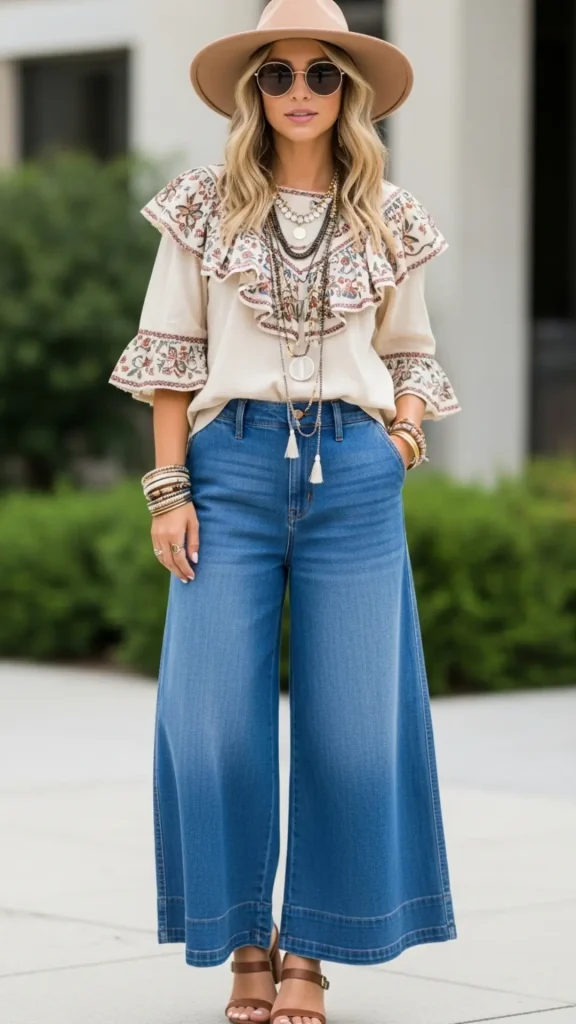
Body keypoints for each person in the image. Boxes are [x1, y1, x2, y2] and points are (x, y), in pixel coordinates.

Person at [108, 2, 461, 1021]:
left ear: (347, 92)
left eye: (320, 74)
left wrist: (400, 432)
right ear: (251, 91)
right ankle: (241, 946)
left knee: (355, 729)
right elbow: (170, 355)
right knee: (214, 724)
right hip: (229, 469)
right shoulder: (203, 205)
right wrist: (169, 490)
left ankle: (311, 949)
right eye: (277, 73)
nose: (299, 92)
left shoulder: (386, 211)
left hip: (354, 475)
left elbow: (412, 348)